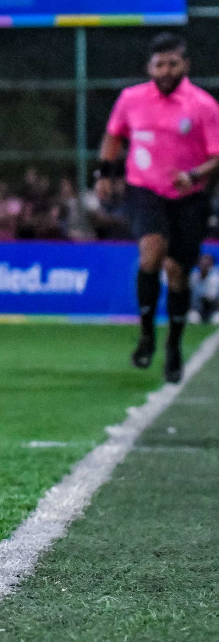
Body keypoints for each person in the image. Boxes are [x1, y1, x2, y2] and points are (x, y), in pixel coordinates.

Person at [96, 32, 219, 383]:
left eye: (172, 64)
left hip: (190, 196)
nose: (165, 70)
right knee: (152, 253)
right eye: (159, 64)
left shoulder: (204, 105)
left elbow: (217, 156)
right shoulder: (131, 99)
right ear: (149, 67)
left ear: (186, 65)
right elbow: (113, 134)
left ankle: (174, 345)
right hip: (144, 190)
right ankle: (147, 334)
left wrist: (194, 175)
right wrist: (104, 172)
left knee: (177, 272)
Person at [189, 252, 219, 325]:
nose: (204, 265)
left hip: (213, 310)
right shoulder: (193, 277)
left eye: (207, 264)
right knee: (192, 318)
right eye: (202, 262)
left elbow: (211, 298)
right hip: (197, 310)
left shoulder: (215, 279)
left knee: (217, 320)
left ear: (211, 265)